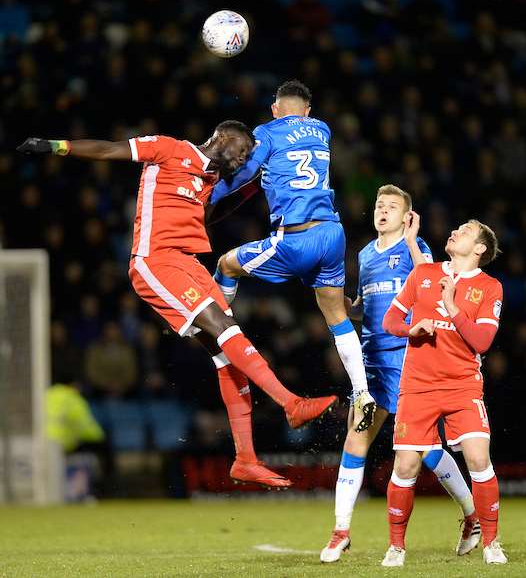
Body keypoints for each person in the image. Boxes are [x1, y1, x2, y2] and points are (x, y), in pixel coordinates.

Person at [17, 123, 338, 489]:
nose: (243, 157)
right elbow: (109, 150)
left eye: (247, 156)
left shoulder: (208, 180)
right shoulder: (169, 149)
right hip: (155, 260)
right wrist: (56, 144)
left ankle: (245, 458)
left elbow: (208, 217)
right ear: (223, 136)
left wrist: (252, 186)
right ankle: (290, 403)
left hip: (189, 264)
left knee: (225, 354)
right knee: (223, 326)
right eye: (243, 149)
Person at [320, 186, 480, 563]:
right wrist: (339, 304)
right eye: (379, 205)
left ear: (407, 216)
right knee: (355, 441)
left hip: (409, 361)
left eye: (392, 206)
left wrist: (411, 240)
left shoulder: (416, 249)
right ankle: (341, 530)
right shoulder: (363, 255)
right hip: (372, 364)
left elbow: (432, 279)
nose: (383, 211)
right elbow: (363, 307)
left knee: (425, 451)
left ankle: (473, 515)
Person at [211, 80, 376, 432]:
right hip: (332, 234)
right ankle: (362, 392)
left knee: (227, 264)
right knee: (335, 314)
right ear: (308, 111)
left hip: (295, 238)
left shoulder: (266, 132)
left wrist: (206, 197)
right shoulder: (322, 128)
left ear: (275, 109)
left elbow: (243, 173)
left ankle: (217, 330)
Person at [380, 220, 507, 566]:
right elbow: (390, 321)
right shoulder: (424, 274)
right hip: (418, 386)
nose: (455, 231)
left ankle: (491, 543)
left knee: (479, 459)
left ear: (480, 248)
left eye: (466, 230)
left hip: (462, 385)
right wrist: (411, 330)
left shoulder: (490, 287)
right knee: (406, 466)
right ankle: (396, 547)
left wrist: (452, 305)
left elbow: (482, 342)